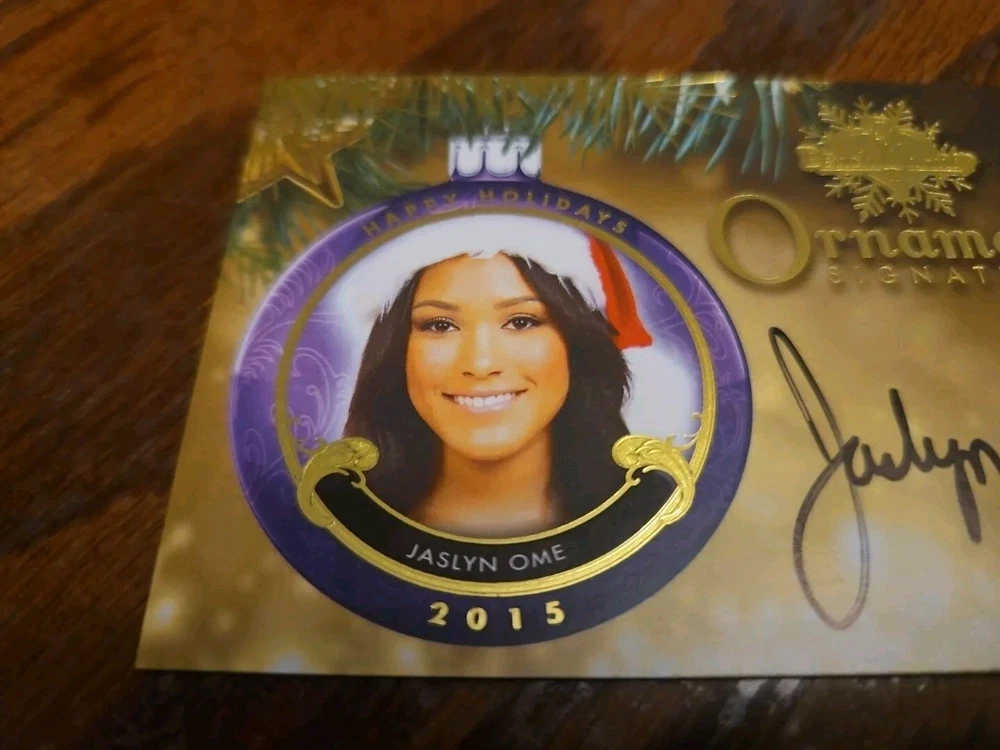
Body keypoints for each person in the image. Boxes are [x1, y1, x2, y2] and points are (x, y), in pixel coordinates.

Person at [328, 213, 697, 539]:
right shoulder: (336, 519)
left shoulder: (652, 519)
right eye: (440, 325)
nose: (481, 363)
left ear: (577, 345)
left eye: (521, 322)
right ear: (396, 351)